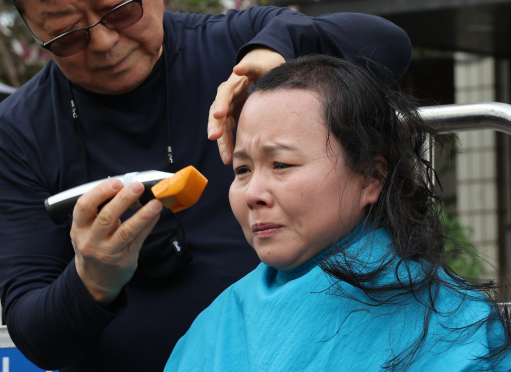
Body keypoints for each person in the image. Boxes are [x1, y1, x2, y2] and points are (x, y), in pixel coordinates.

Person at [0, 0, 412, 370]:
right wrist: (92, 279)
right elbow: (37, 338)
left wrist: (275, 54)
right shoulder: (19, 132)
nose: (106, 41)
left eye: (120, 10)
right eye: (68, 35)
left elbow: (389, 46)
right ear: (37, 36)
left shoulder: (233, 44)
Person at [164, 55, 511, 371]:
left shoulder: (452, 324)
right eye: (242, 170)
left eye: (281, 164)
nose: (254, 194)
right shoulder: (216, 324)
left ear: (371, 178)